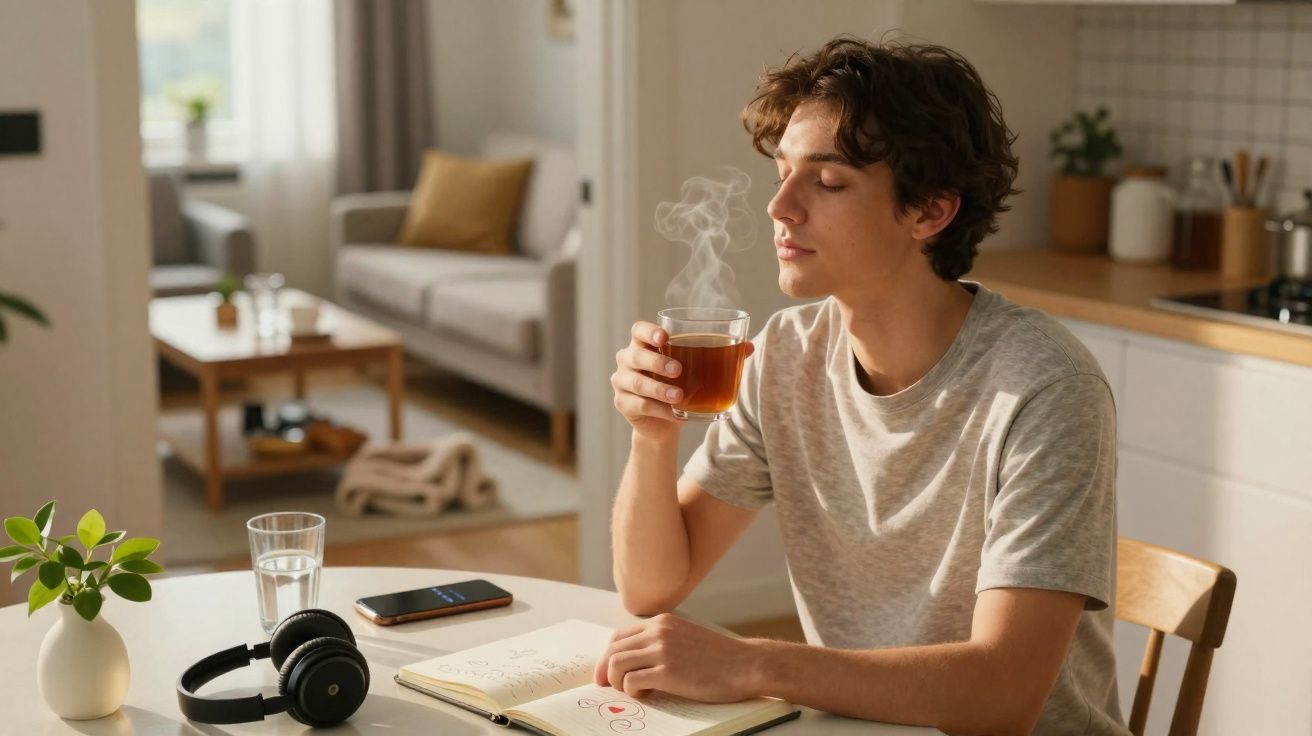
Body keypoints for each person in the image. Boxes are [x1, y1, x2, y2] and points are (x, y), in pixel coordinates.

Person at [595, 36, 1128, 736]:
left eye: (828, 182)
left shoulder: (1045, 386)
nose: (780, 207)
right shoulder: (786, 354)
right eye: (782, 174)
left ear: (929, 211)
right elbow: (651, 586)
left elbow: (1004, 696)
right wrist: (652, 436)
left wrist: (755, 663)